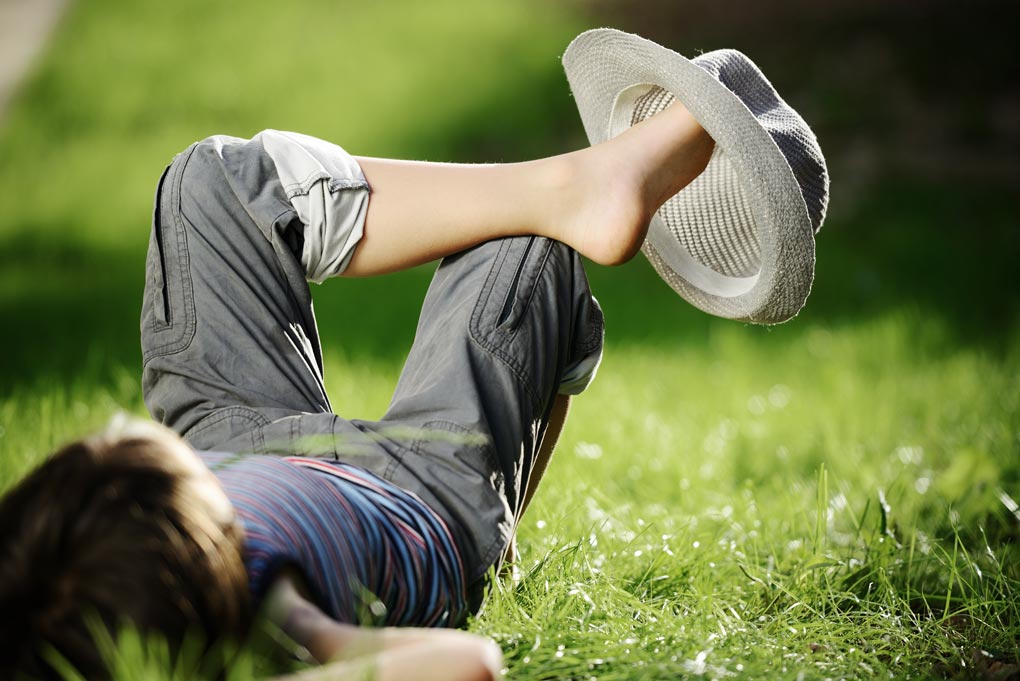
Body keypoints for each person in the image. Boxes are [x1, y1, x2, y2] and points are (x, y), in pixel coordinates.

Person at [0, 29, 826, 681]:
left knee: (211, 184)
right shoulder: (273, 628)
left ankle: (576, 186)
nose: (111, 424)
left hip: (226, 443)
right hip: (413, 488)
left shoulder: (53, 593)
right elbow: (467, 664)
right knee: (526, 251)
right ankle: (571, 205)